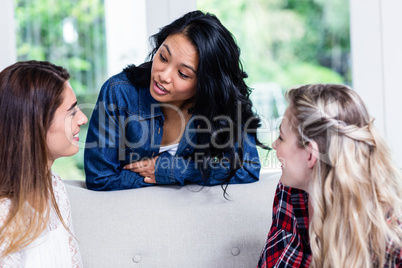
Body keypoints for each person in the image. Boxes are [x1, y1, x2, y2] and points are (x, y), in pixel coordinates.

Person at [84, 10, 267, 191]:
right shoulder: (118, 92)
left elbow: (248, 167)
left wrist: (170, 170)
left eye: (183, 74)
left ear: (206, 84)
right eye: (163, 57)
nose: (163, 76)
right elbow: (100, 178)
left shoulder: (222, 105)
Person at [258, 84, 402, 267]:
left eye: (281, 137)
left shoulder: (389, 242)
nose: (274, 144)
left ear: (310, 154)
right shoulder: (289, 193)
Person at [0, 61, 87, 267]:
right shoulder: (4, 212)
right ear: (37, 122)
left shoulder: (54, 187)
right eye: (72, 111)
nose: (82, 118)